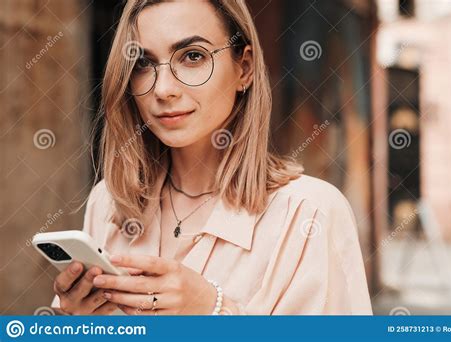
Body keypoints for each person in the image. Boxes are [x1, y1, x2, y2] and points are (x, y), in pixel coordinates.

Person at [51, 0, 372, 315]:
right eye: (143, 63)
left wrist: (213, 310)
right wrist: (78, 325)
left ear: (244, 68)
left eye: (192, 56)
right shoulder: (109, 202)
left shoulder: (309, 213)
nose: (163, 89)